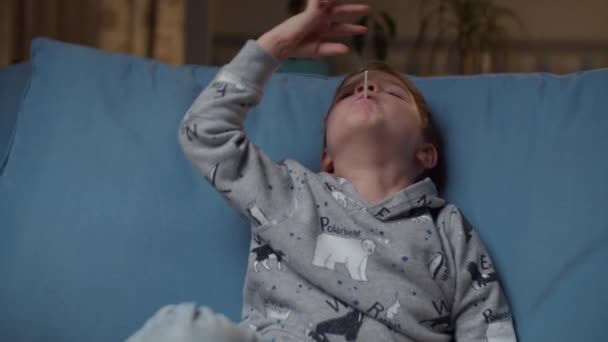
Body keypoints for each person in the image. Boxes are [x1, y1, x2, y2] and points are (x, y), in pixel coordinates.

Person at [126, 0, 516, 341]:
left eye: (392, 92)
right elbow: (204, 133)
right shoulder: (290, 191)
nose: (367, 89)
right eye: (348, 94)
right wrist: (276, 46)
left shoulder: (448, 229)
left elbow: (486, 327)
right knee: (184, 327)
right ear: (326, 154)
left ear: (426, 153)